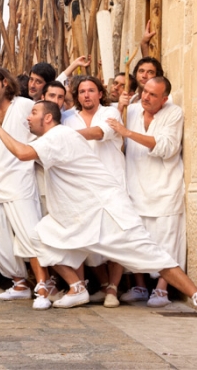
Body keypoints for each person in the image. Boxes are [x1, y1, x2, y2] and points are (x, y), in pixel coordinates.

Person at [0, 100, 197, 320]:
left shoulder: (58, 135)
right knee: (40, 236)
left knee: (153, 257)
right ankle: (77, 289)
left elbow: (22, 153)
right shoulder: (55, 138)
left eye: (34, 112)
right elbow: (29, 152)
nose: (28, 117)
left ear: (48, 118)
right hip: (79, 218)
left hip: (108, 213)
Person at [107, 77, 186, 308]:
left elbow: (167, 147)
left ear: (164, 98)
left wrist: (128, 133)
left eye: (153, 95)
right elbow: (109, 126)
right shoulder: (131, 110)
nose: (146, 97)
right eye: (145, 91)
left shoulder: (174, 113)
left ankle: (162, 289)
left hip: (164, 185)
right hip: (135, 184)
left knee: (166, 238)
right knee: (137, 237)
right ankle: (140, 286)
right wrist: (120, 106)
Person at [0, 67, 52, 309]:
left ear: (5, 82)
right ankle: (20, 283)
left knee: (29, 233)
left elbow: (42, 130)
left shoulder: (23, 105)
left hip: (20, 179)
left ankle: (42, 286)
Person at [62, 76, 126, 307]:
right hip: (81, 187)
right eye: (81, 91)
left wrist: (65, 136)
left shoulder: (111, 113)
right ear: (77, 96)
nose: (86, 95)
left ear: (100, 93)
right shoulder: (68, 118)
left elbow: (99, 133)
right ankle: (98, 285)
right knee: (87, 240)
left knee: (117, 236)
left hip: (112, 183)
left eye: (91, 90)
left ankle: (113, 289)